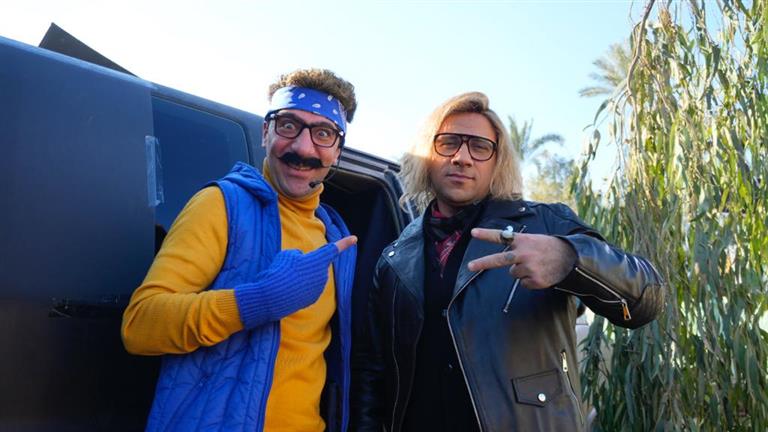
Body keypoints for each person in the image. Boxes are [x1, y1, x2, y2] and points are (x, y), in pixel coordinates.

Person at [350, 92, 664, 431]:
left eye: (480, 147)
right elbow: (373, 371)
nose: (462, 158)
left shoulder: (544, 224)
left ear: (497, 162)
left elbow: (646, 300)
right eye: (448, 143)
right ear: (427, 154)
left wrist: (571, 259)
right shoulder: (395, 258)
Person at [122, 68, 359, 432]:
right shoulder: (221, 205)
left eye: (323, 133)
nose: (302, 148)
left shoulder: (335, 237)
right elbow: (140, 326)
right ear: (266, 133)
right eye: (288, 125)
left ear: (337, 150)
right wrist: (257, 301)